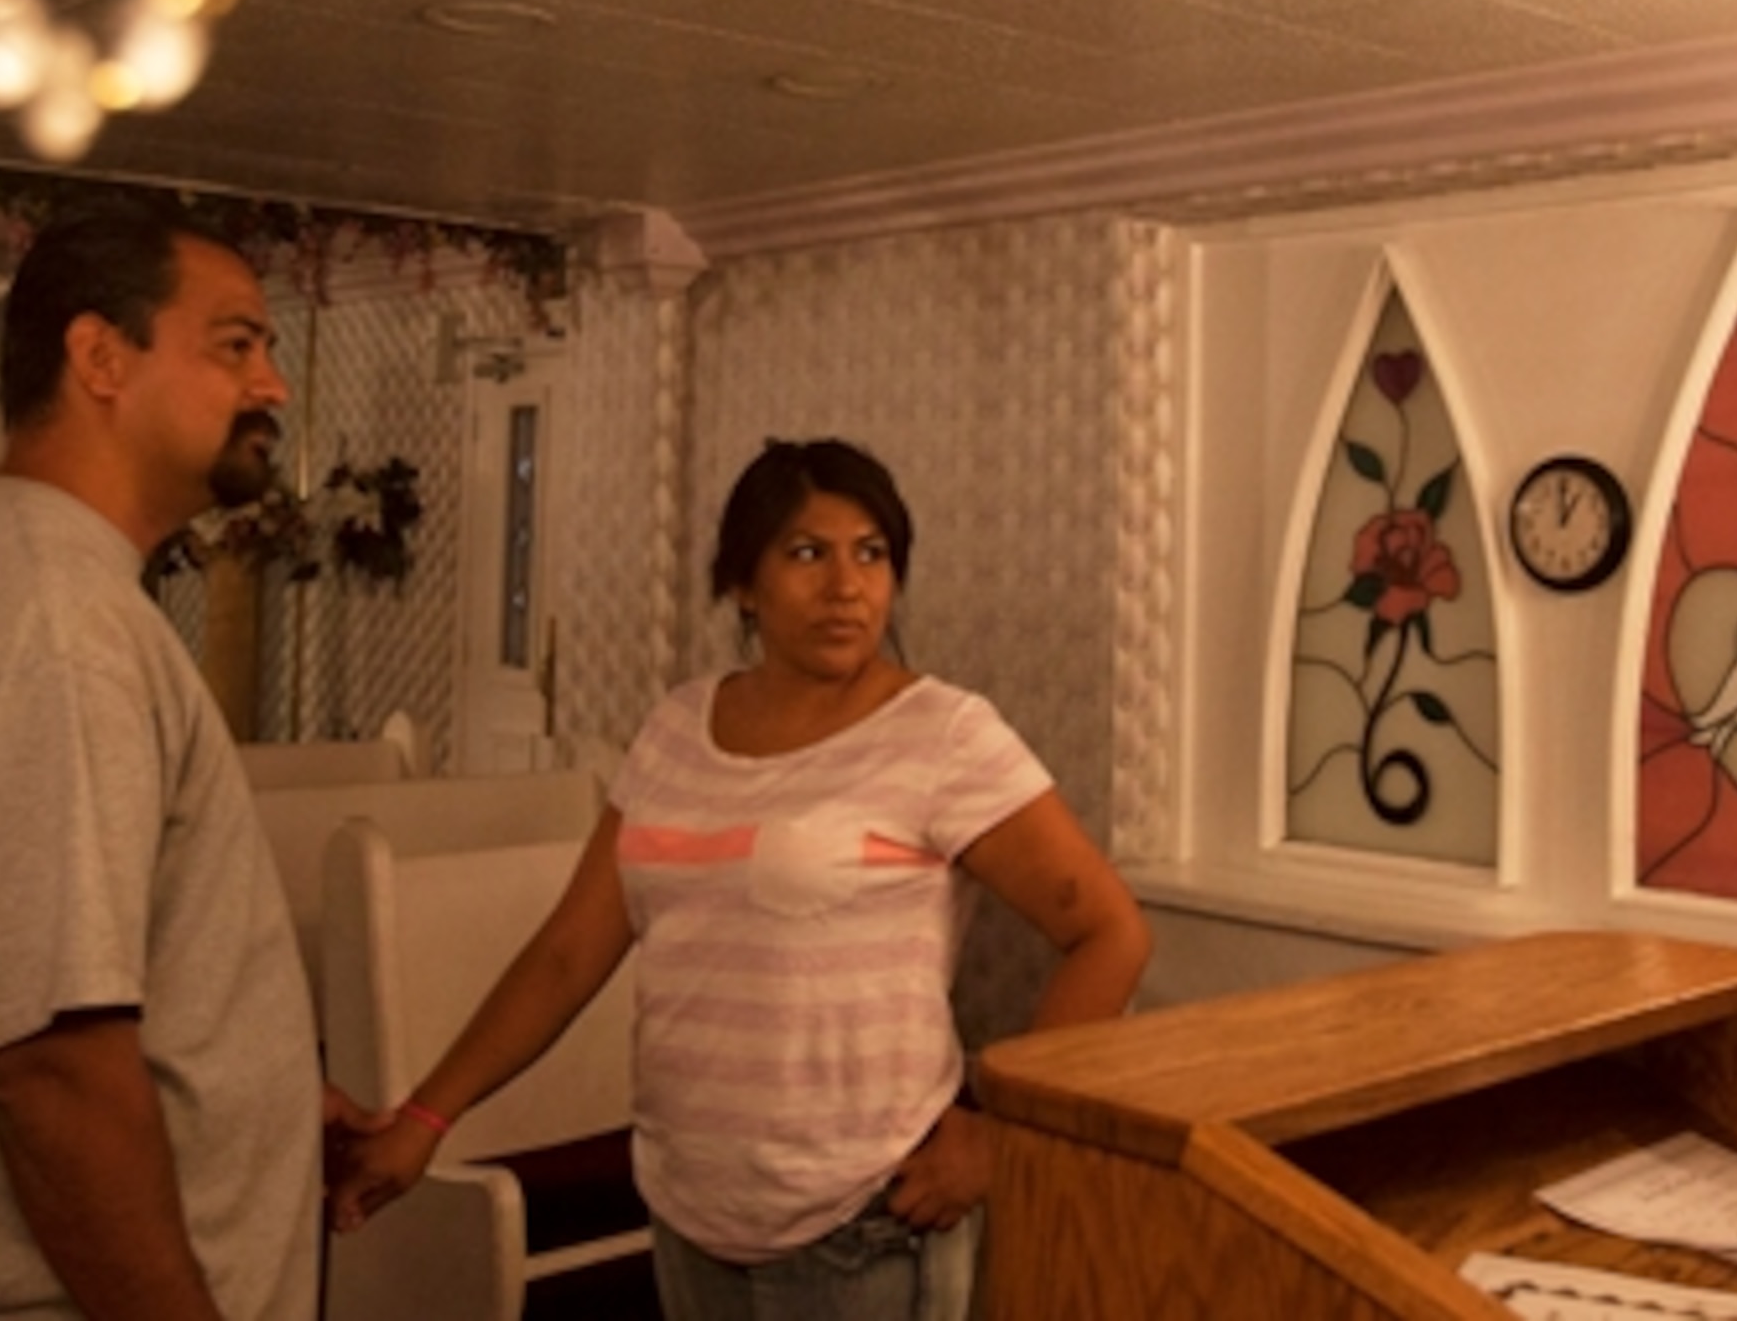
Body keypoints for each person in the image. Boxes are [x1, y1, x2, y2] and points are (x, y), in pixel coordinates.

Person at [330, 437, 1151, 1319]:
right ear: (742, 584)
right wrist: (427, 1118)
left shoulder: (943, 735)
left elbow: (1109, 934)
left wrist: (1004, 1136)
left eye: (871, 555)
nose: (846, 586)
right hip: (691, 1208)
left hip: (865, 1219)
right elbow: (569, 955)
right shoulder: (678, 729)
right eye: (807, 553)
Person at [0, 203, 354, 1318]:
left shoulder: (12, 572)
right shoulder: (45, 622)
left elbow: (69, 979)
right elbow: (49, 1069)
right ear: (100, 357)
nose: (272, 387)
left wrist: (261, 1099)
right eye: (236, 345)